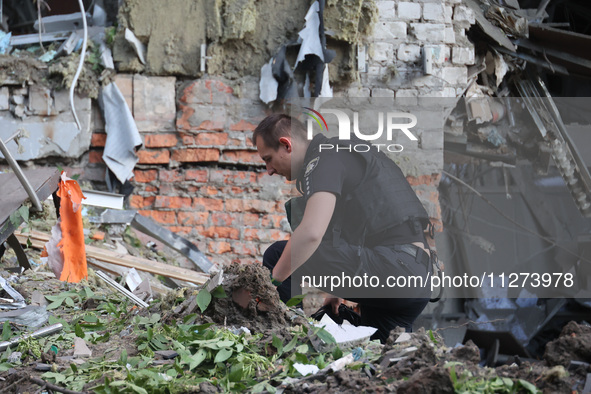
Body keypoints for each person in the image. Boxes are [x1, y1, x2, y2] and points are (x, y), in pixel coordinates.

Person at [253, 113, 434, 342]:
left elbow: (310, 234)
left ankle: (287, 338)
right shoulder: (343, 153)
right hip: (415, 284)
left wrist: (271, 285)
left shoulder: (323, 158)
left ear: (286, 145)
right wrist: (335, 291)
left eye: (268, 159)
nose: (268, 169)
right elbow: (359, 229)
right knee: (378, 360)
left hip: (394, 269)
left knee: (278, 255)